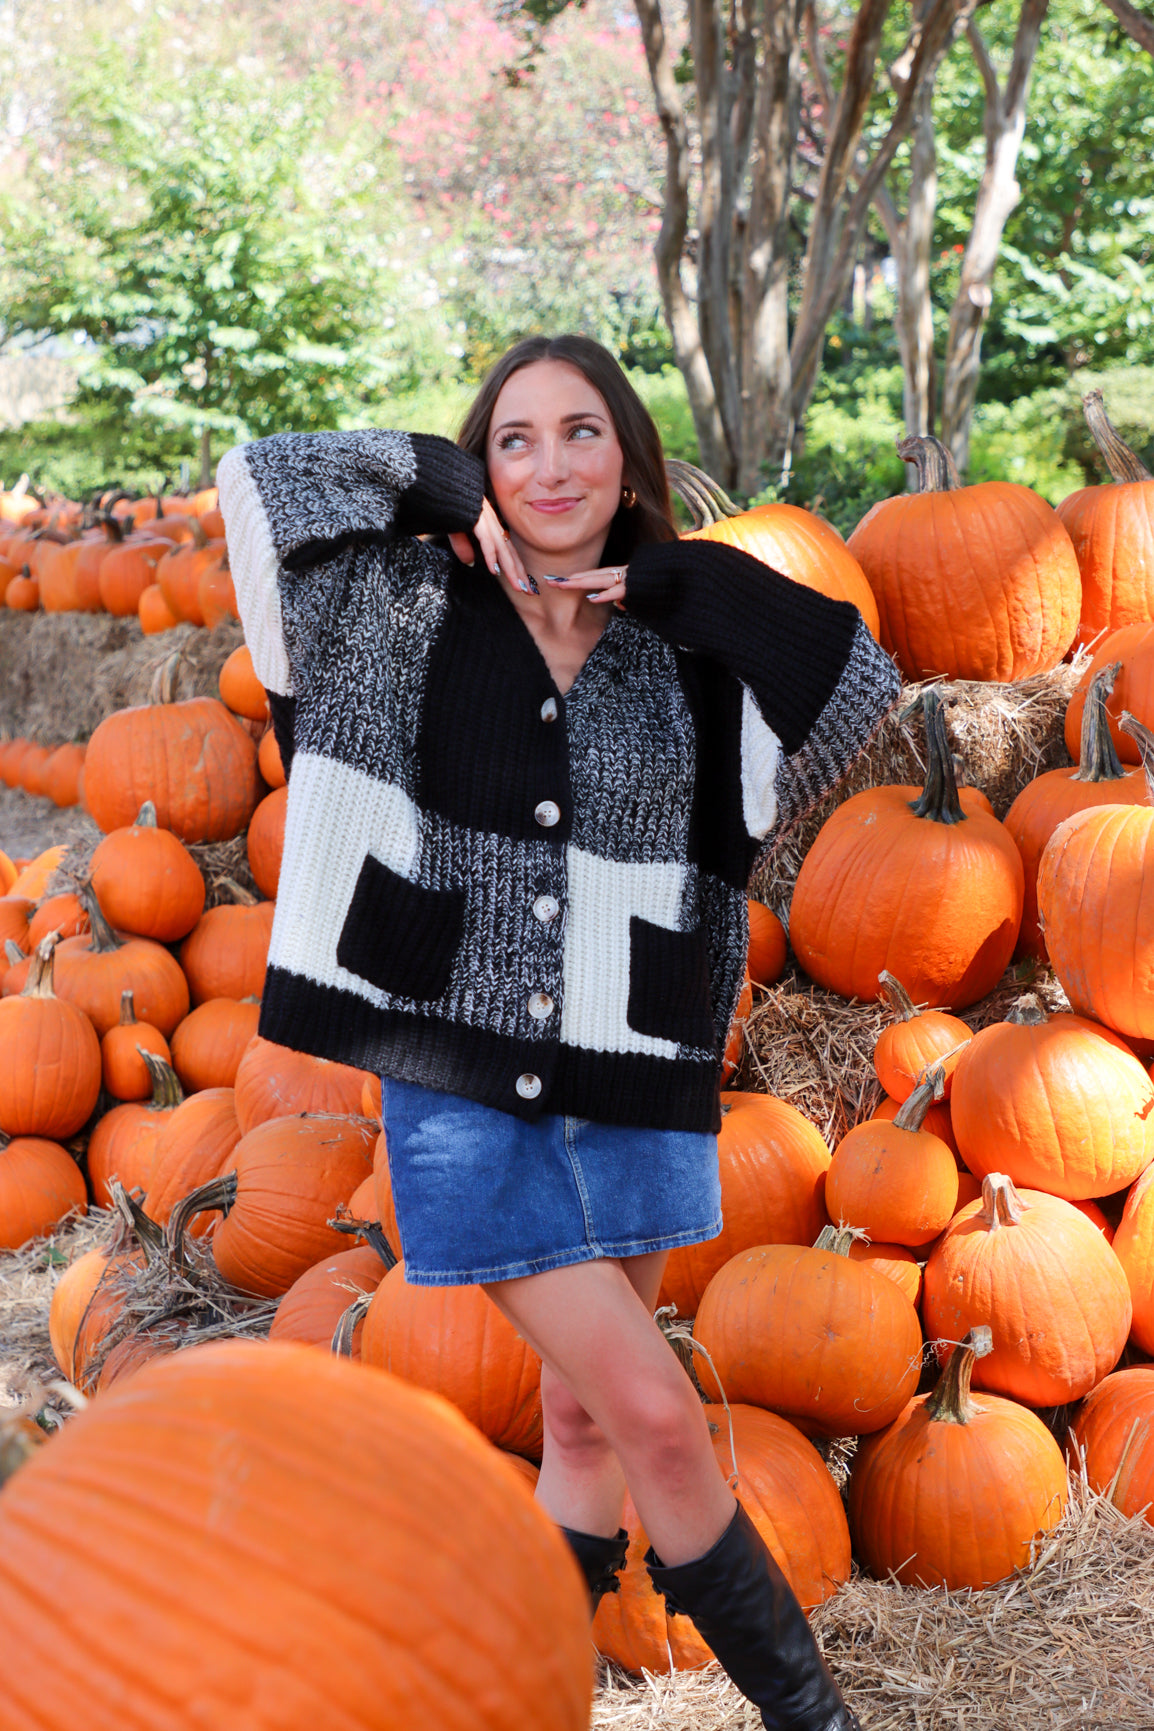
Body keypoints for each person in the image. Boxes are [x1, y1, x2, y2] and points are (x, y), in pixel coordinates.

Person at [217, 333, 898, 1731]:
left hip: (635, 1076)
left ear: (627, 460)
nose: (548, 464)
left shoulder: (686, 649)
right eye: (512, 437)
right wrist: (432, 478)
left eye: (581, 432)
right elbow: (256, 483)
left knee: (585, 1421)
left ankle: (505, 1697)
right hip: (460, 1087)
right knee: (654, 1418)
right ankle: (813, 1717)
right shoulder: (392, 605)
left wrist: (679, 576)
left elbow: (855, 685)